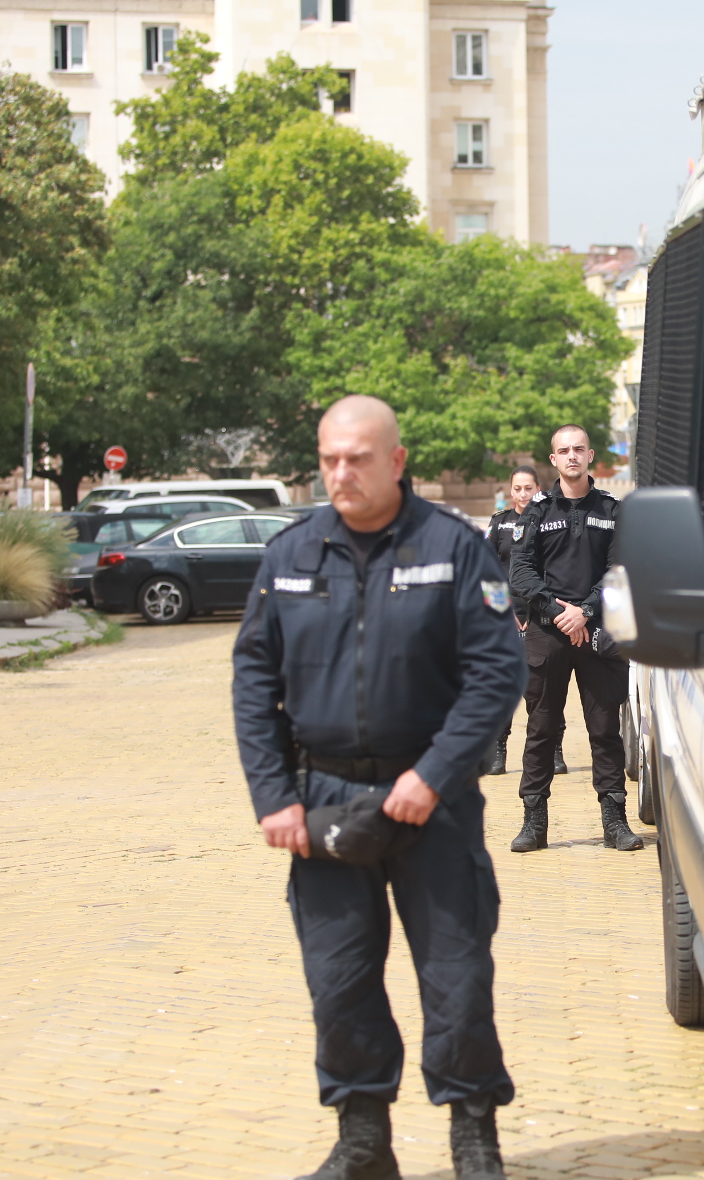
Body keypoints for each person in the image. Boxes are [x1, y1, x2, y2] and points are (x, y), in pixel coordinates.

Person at [233, 395, 526, 1180]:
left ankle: (474, 1138)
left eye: (358, 458)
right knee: (339, 982)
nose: (341, 473)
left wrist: (433, 776)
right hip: (323, 803)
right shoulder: (292, 556)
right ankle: (363, 1142)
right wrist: (274, 797)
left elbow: (498, 673)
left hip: (433, 802)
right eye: (330, 458)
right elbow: (253, 678)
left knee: (458, 980)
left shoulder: (452, 548)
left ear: (397, 461)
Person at [507, 424, 640, 854]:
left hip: (599, 633)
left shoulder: (612, 509)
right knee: (542, 728)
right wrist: (558, 611)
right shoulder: (538, 510)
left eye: (578, 449)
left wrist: (585, 610)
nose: (571, 456)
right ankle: (534, 820)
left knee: (605, 729)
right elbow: (521, 571)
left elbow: (621, 570)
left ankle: (614, 818)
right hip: (549, 635)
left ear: (590, 455)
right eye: (563, 450)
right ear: (553, 460)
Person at [482, 466, 567, 777]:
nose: (521, 495)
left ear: (537, 489)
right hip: (506, 619)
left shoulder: (548, 518)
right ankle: (498, 748)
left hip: (542, 616)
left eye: (527, 488)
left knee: (543, 690)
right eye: (516, 489)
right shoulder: (499, 523)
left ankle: (553, 749)